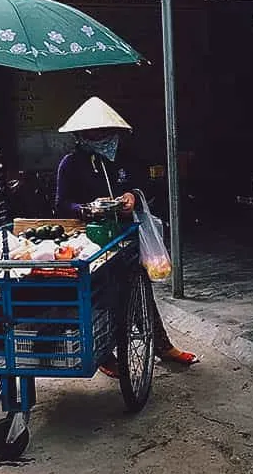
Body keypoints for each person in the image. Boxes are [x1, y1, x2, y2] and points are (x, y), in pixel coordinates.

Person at [54, 97, 198, 376]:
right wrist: (85, 209)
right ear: (81, 135)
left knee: (139, 288)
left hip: (126, 234)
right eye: (92, 133)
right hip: (90, 240)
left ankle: (162, 345)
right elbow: (61, 204)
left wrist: (133, 195)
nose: (100, 138)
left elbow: (144, 183)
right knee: (101, 295)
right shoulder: (70, 164)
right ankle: (105, 353)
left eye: (104, 132)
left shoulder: (127, 158)